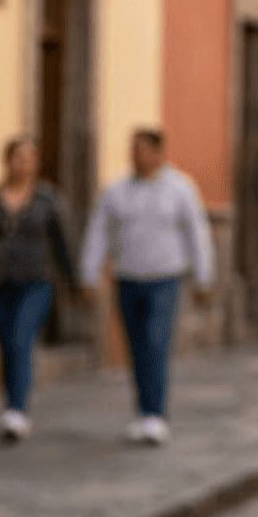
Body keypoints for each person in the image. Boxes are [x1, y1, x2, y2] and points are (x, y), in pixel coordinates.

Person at [79, 128, 215, 445]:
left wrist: (203, 276)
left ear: (158, 152)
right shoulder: (115, 191)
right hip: (127, 278)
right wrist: (88, 273)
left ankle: (155, 414)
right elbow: (98, 233)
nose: (137, 155)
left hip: (165, 279)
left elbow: (197, 233)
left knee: (155, 342)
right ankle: (143, 411)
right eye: (133, 149)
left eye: (143, 149)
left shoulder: (180, 189)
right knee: (137, 346)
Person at [0, 136, 77, 442]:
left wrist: (73, 281)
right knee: (7, 345)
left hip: (36, 282)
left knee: (21, 339)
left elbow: (63, 244)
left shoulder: (49, 200)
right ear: (6, 161)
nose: (23, 164)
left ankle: (17, 410)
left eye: (29, 158)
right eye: (17, 158)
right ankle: (11, 403)